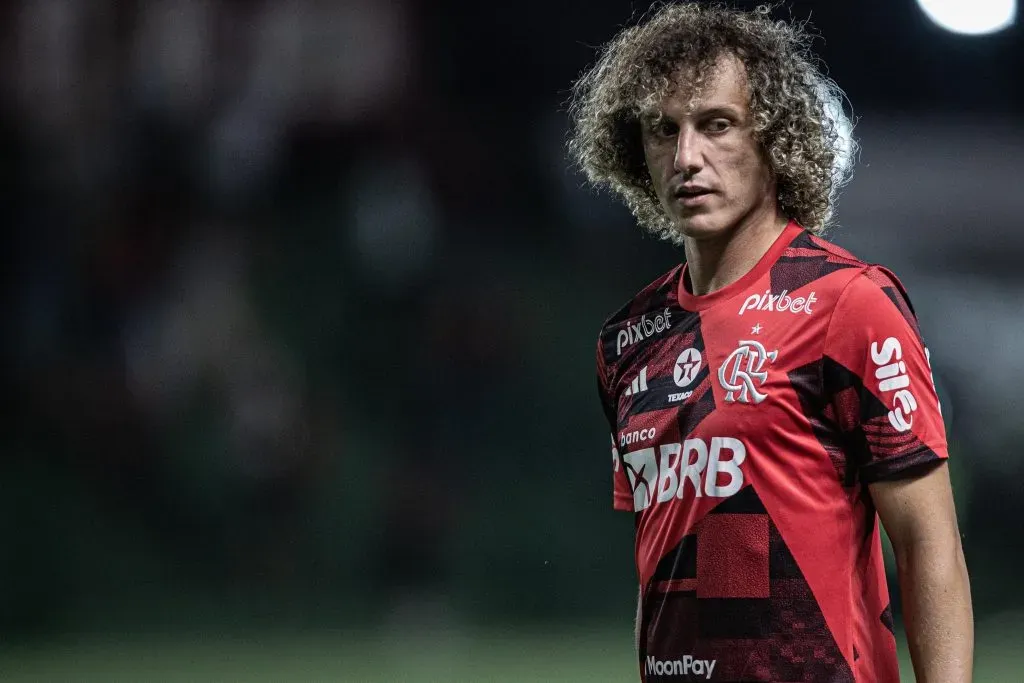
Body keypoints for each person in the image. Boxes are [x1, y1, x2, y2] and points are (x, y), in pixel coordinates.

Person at [569, 4, 973, 682]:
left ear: (774, 138)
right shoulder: (626, 341)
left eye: (716, 124)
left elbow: (929, 544)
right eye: (663, 130)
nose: (687, 156)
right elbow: (662, 562)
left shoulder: (849, 303)